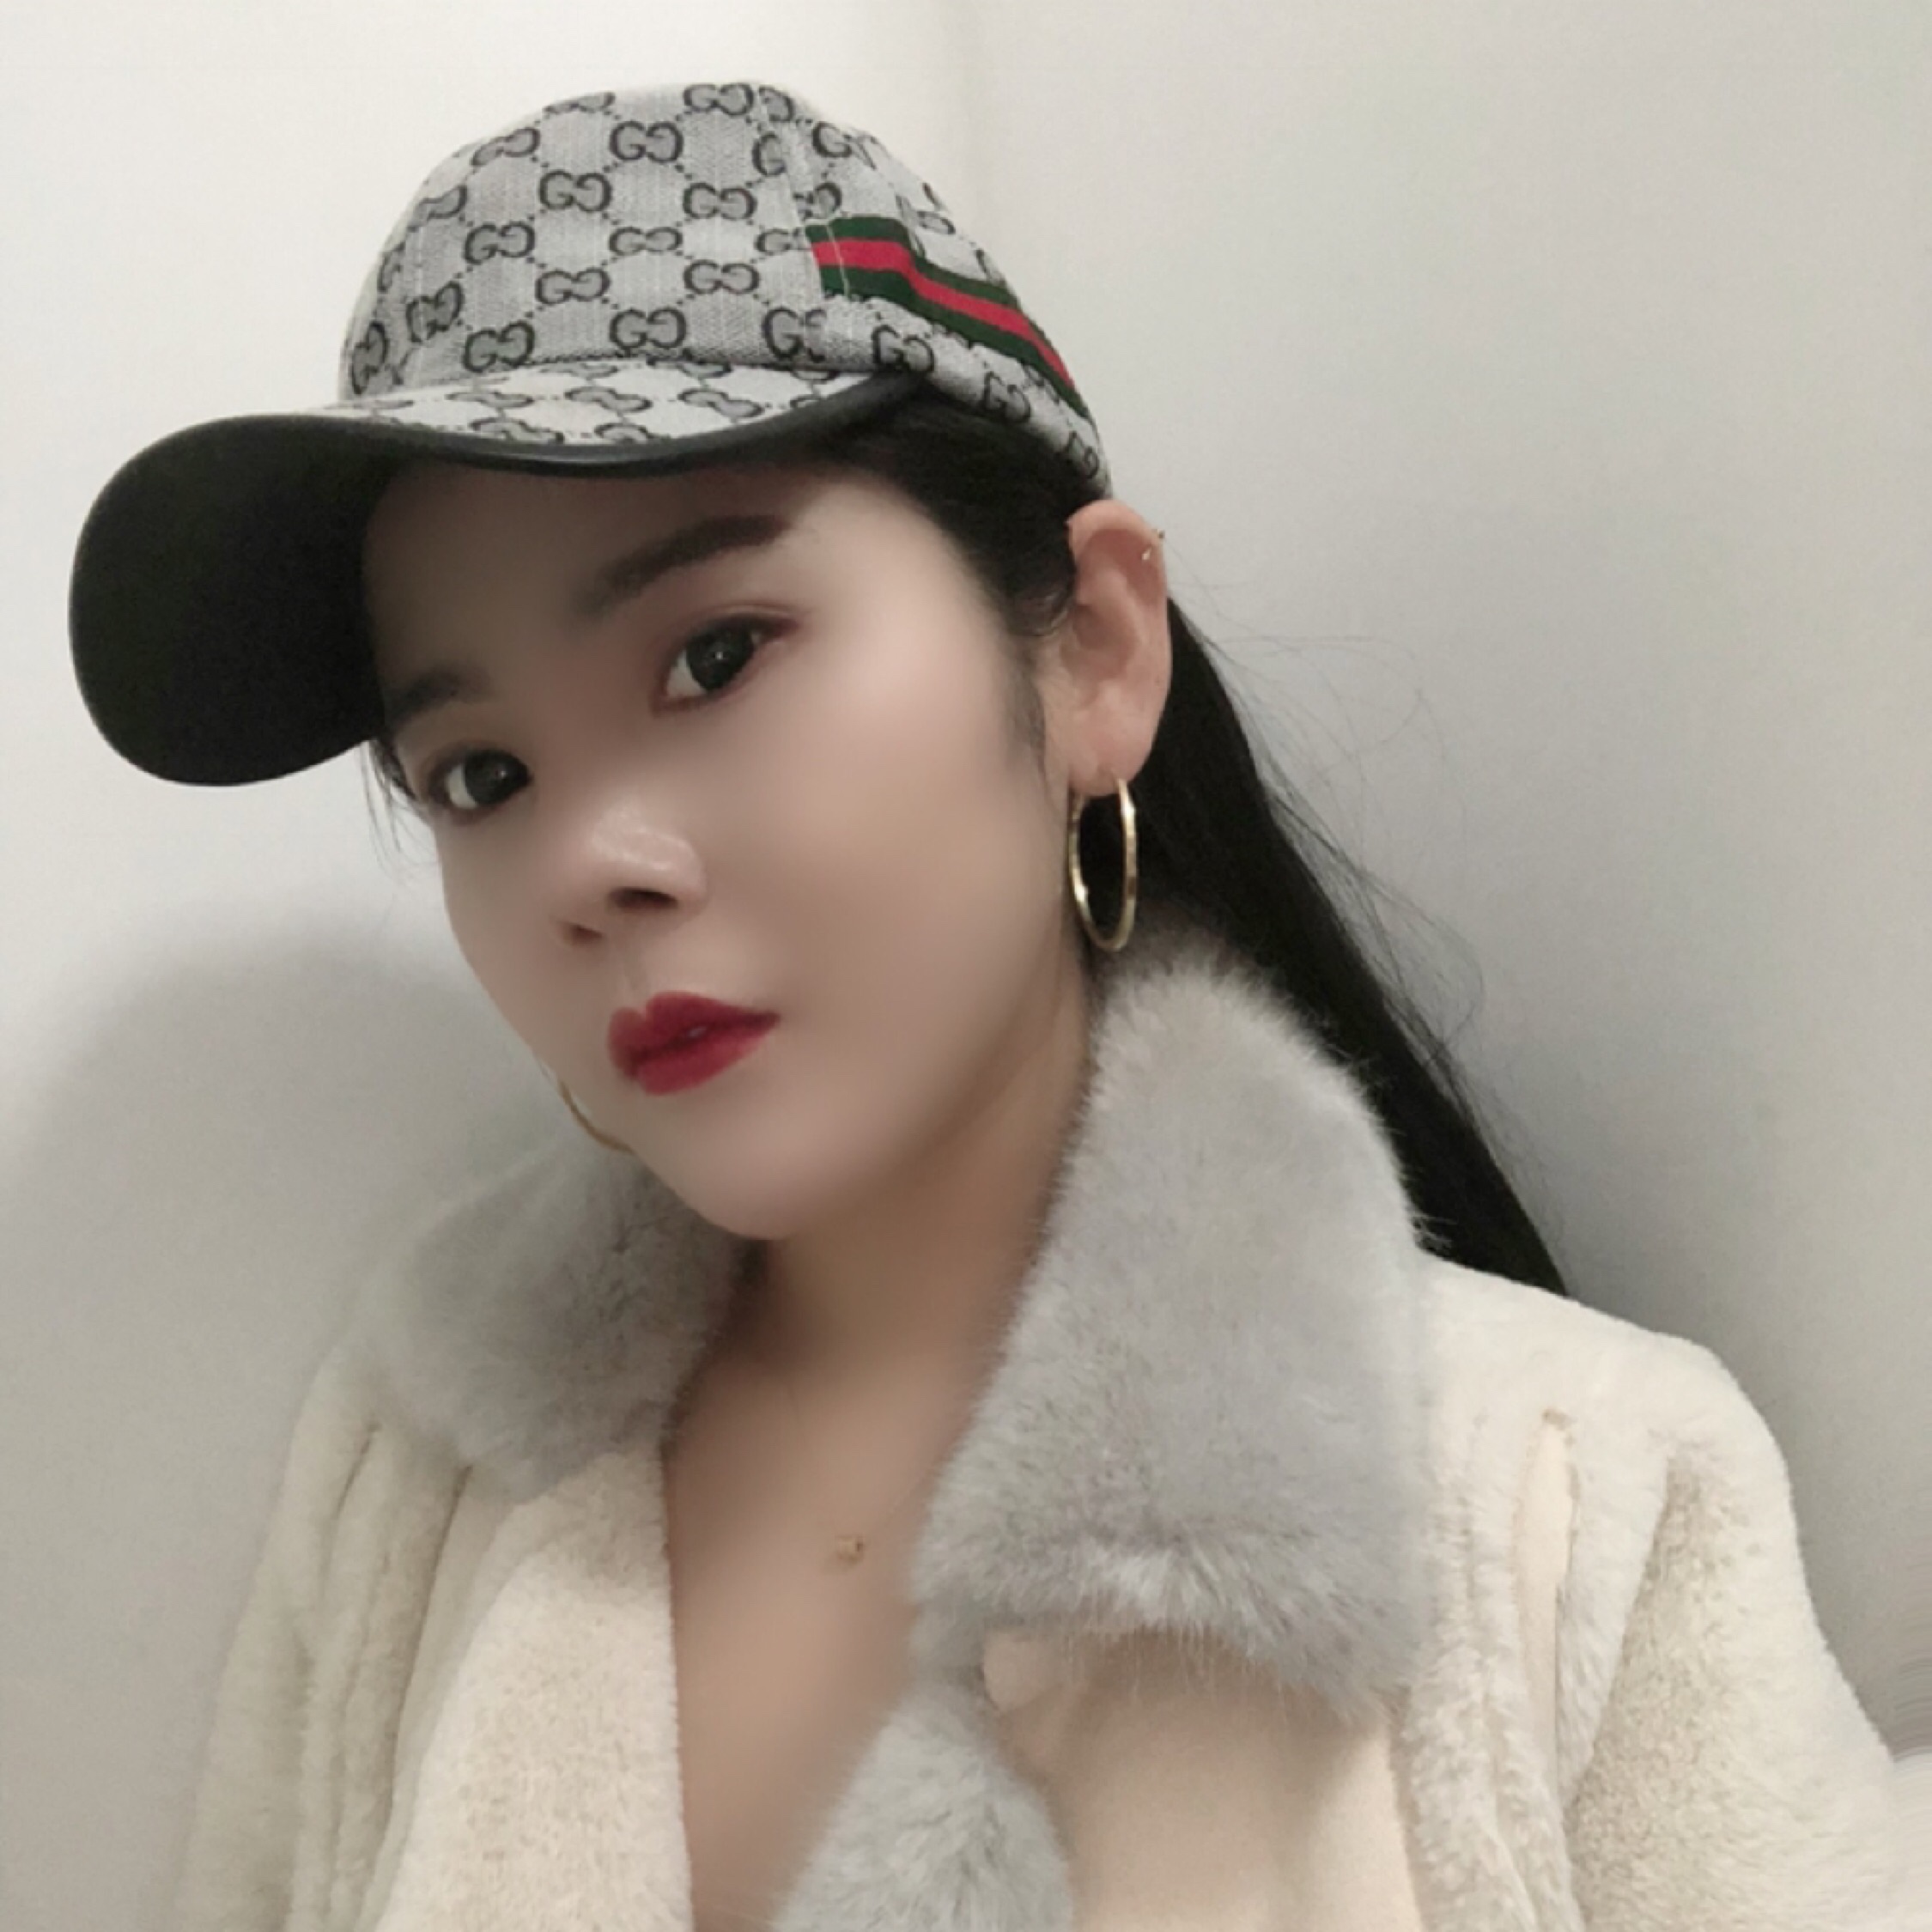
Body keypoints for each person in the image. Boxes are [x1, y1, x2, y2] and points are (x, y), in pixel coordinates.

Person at [68, 76, 1912, 1932]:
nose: (585, 863)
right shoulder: (409, 1487)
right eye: (478, 775)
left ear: (1096, 649)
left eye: (716, 654)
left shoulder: (1574, 1504)